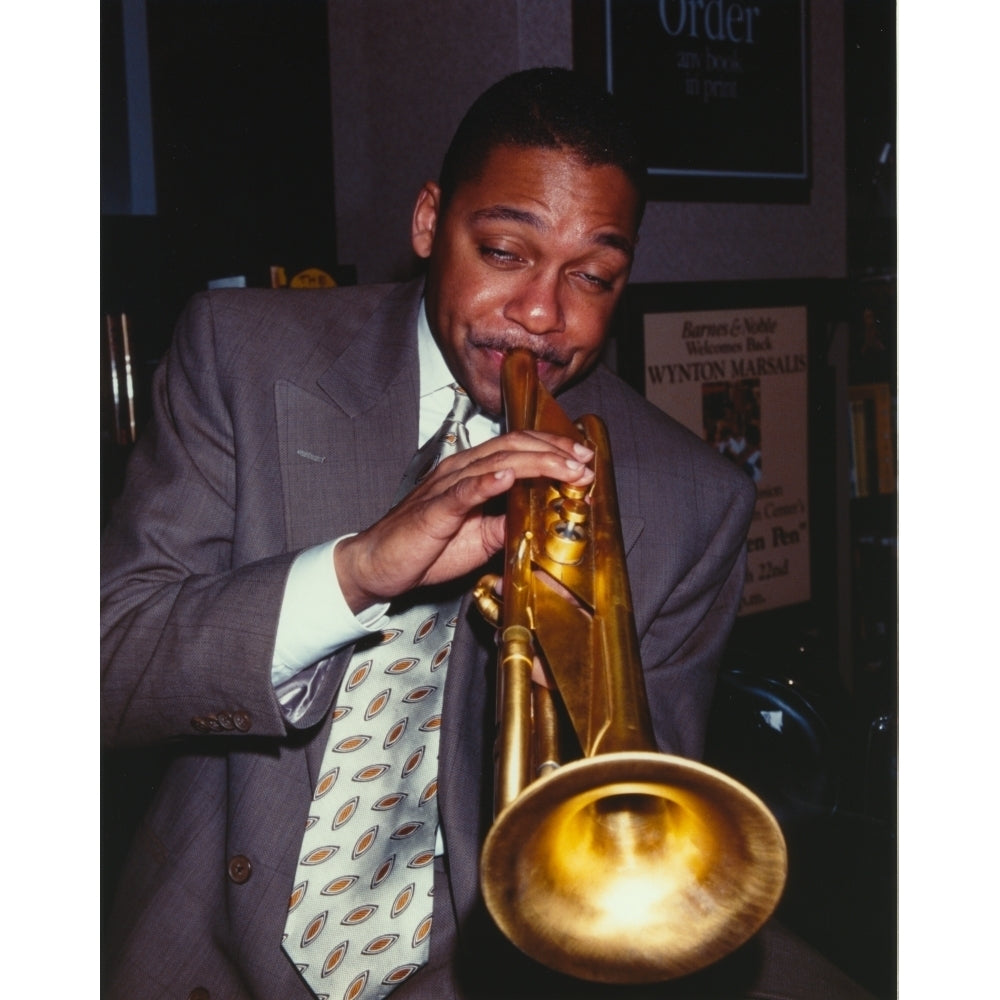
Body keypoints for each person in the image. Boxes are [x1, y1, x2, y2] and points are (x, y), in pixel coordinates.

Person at [102, 68, 873, 999]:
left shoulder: (693, 499)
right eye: (506, 251)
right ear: (431, 223)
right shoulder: (242, 352)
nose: (544, 314)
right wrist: (357, 571)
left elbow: (631, 840)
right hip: (203, 959)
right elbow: (102, 669)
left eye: (593, 276)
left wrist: (573, 677)